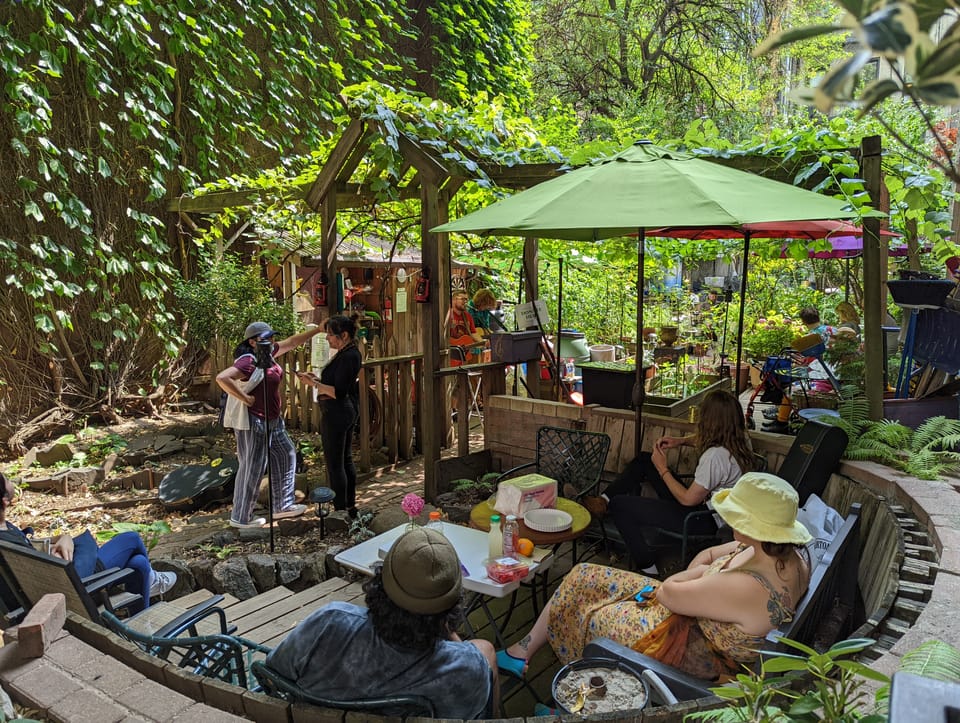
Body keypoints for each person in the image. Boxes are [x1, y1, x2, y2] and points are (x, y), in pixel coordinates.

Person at [496, 472, 812, 683]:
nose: (730, 519)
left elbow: (668, 593)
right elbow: (709, 559)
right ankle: (522, 650)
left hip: (687, 649)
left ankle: (577, 696)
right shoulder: (787, 557)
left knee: (589, 613)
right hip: (692, 612)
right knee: (582, 574)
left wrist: (697, 575)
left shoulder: (746, 585)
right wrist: (701, 575)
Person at [264, 528, 498, 718]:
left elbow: (274, 670)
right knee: (484, 650)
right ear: (452, 606)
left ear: (380, 583)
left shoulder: (329, 622)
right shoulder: (468, 669)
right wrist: (447, 630)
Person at [596, 390, 755, 574]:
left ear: (709, 422)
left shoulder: (715, 457)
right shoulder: (741, 440)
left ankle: (648, 568)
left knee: (620, 506)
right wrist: (680, 441)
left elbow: (688, 500)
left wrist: (662, 468)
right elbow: (712, 438)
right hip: (708, 508)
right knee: (645, 460)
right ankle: (603, 500)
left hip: (701, 519)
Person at [0, 472, 176, 612]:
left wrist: (62, 538)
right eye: (7, 479)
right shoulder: (6, 541)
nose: (10, 480)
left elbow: (29, 544)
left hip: (50, 590)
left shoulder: (4, 530)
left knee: (139, 564)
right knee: (131, 538)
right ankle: (152, 582)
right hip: (73, 592)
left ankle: (142, 627)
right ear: (5, 500)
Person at [216, 321, 322, 528]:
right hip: (254, 420)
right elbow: (222, 378)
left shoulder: (268, 353)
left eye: (272, 337)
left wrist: (318, 330)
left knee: (286, 454)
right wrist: (245, 398)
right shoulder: (248, 361)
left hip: (274, 420)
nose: (272, 341)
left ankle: (283, 505)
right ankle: (241, 517)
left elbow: (292, 342)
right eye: (267, 338)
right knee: (253, 467)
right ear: (253, 341)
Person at [297, 315, 363, 517]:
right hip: (342, 410)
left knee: (336, 463)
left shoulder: (350, 355)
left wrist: (314, 385)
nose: (327, 339)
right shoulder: (345, 353)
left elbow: (339, 391)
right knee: (344, 460)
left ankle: (341, 508)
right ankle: (348, 506)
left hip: (338, 412)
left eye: (331, 335)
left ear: (344, 335)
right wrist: (316, 379)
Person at [762, 307, 834, 433]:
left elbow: (807, 361)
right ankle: (780, 419)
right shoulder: (832, 330)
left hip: (821, 378)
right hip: (832, 375)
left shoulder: (809, 339)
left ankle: (781, 422)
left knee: (790, 390)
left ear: (804, 322)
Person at [447, 290, 484, 366]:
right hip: (450, 355)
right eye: (462, 299)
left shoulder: (467, 316)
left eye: (466, 299)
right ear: (454, 300)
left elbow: (473, 332)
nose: (465, 302)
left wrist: (483, 342)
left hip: (463, 354)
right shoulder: (447, 315)